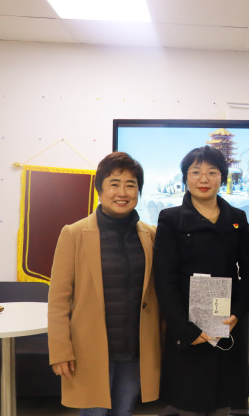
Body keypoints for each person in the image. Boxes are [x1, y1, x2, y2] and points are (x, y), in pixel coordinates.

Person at [48, 152, 161, 415]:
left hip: (135, 350)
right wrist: (60, 351)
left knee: (124, 411)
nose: (122, 192)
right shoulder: (74, 234)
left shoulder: (151, 236)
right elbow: (58, 300)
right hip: (90, 350)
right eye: (114, 183)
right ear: (100, 189)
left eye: (131, 185)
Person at [153, 145, 249, 416]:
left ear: (222, 177)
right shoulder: (170, 219)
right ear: (185, 177)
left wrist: (237, 313)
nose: (204, 179)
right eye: (196, 172)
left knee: (225, 400)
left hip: (226, 322)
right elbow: (164, 280)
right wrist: (184, 329)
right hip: (188, 324)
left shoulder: (237, 218)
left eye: (212, 172)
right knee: (189, 400)